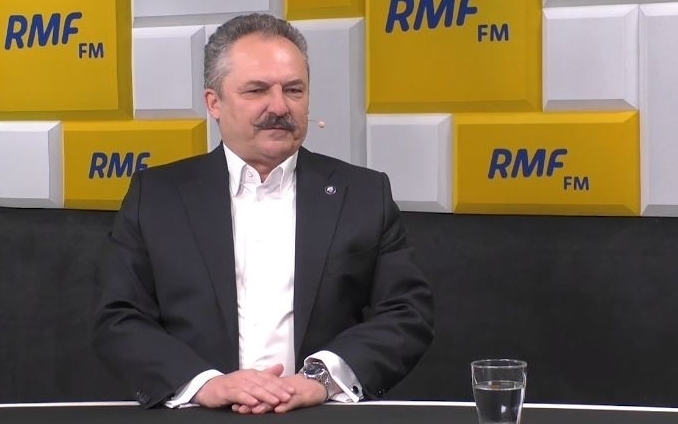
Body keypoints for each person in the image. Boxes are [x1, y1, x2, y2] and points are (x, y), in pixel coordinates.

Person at [91, 13, 434, 414]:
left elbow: (406, 312)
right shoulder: (157, 197)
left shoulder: (363, 194)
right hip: (202, 414)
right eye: (256, 90)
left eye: (294, 90)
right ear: (214, 102)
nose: (279, 106)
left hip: (318, 413)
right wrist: (206, 384)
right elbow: (119, 317)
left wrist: (321, 380)